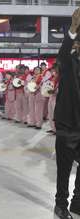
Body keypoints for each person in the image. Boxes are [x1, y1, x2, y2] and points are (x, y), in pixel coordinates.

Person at [53, 8, 80, 219]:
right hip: (67, 127)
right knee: (64, 170)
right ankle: (60, 205)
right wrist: (72, 28)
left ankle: (77, 202)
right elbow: (63, 53)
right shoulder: (67, 64)